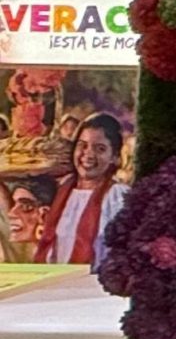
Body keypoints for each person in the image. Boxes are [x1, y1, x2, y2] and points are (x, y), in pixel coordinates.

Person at [41, 112, 126, 265]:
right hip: (55, 278)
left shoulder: (117, 196)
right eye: (82, 145)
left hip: (96, 279)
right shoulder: (62, 190)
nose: (88, 154)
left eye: (100, 149)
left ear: (114, 157)